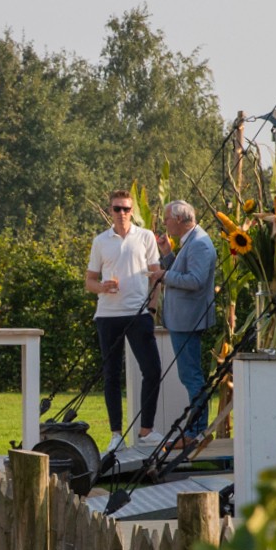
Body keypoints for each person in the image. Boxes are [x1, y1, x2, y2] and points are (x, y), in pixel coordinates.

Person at [87, 190, 164, 452]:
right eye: (117, 209)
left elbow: (156, 276)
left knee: (152, 370)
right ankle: (115, 435)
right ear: (109, 211)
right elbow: (89, 281)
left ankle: (146, 430)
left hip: (139, 313)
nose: (122, 213)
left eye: (126, 209)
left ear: (132, 211)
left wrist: (151, 310)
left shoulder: (145, 237)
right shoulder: (100, 241)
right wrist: (102, 287)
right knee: (111, 375)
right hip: (108, 316)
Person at [152, 200, 217, 447]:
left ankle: (196, 433)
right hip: (183, 319)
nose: (165, 223)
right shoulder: (191, 240)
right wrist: (168, 255)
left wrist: (164, 276)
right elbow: (185, 271)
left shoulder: (199, 243)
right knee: (189, 375)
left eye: (167, 219)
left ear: (179, 219)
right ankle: (195, 430)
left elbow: (196, 280)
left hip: (189, 320)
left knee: (192, 377)